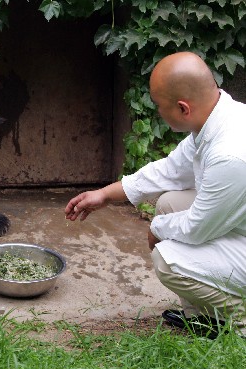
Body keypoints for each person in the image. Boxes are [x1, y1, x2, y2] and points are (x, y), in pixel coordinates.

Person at [65, 51, 246, 338]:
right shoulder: (217, 120)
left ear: (183, 108)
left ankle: (240, 321)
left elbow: (197, 229)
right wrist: (104, 195)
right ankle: (204, 316)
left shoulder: (230, 154)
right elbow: (170, 170)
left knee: (168, 258)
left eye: (160, 105)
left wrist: (157, 228)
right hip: (239, 227)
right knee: (169, 203)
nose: (157, 111)